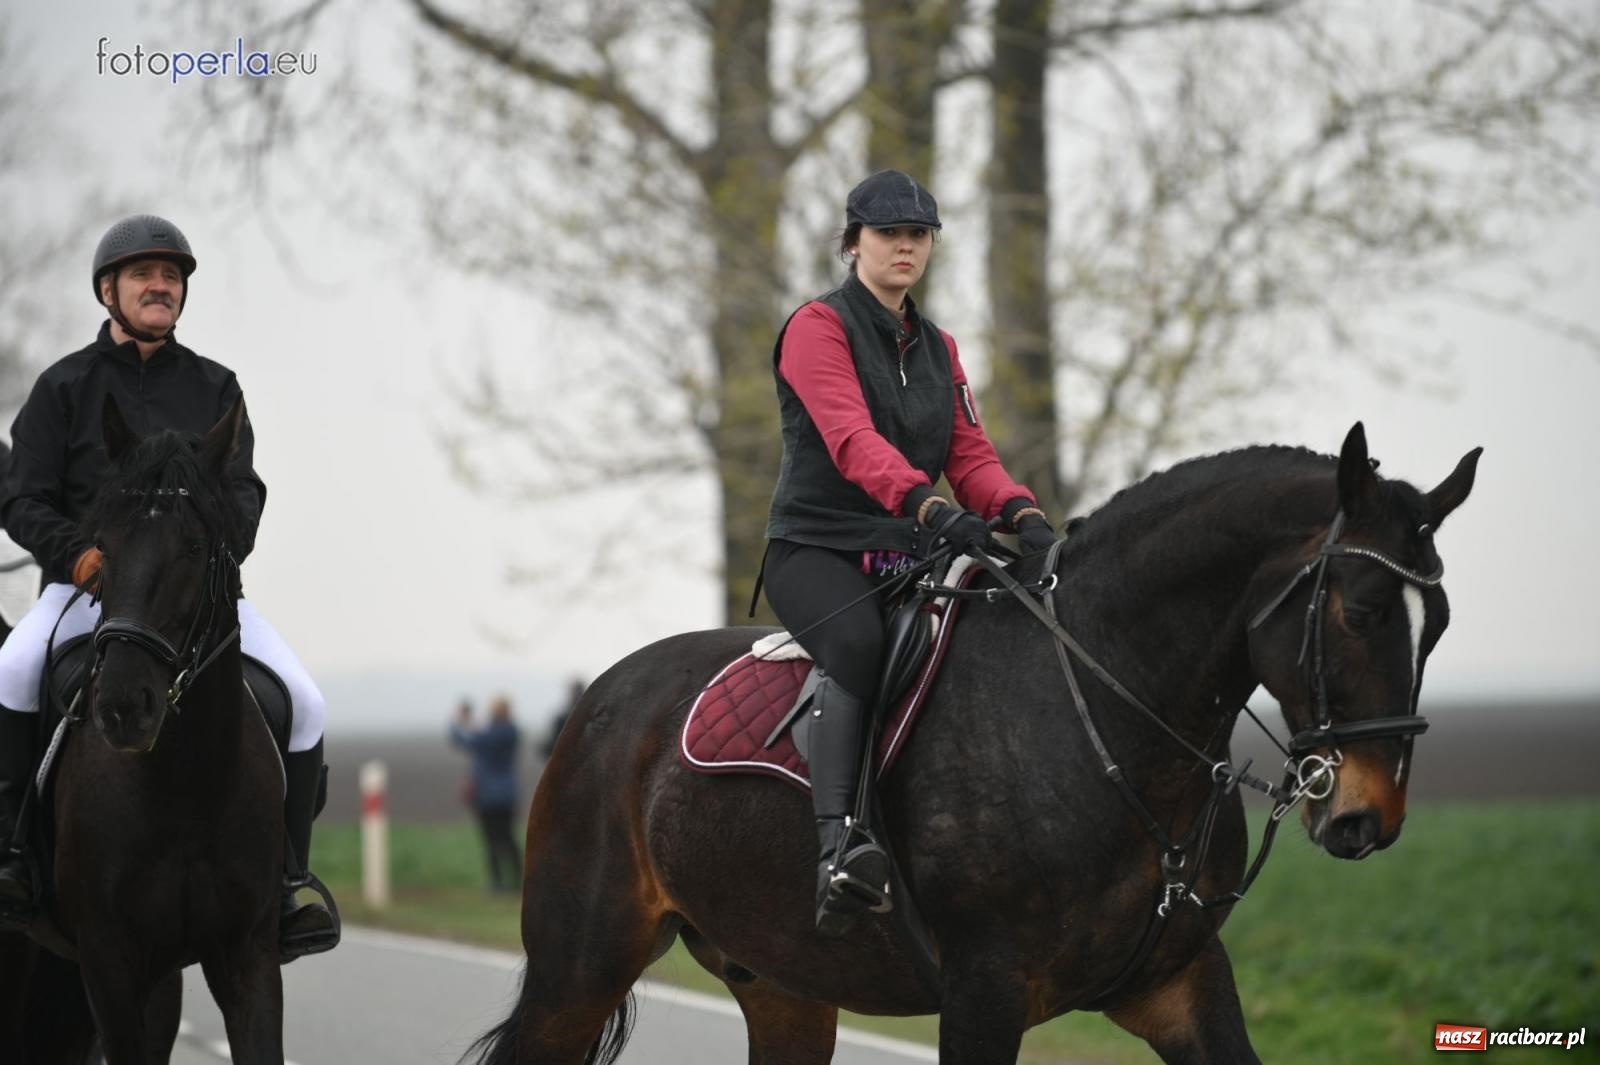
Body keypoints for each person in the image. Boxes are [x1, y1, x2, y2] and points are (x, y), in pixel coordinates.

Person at [0, 215, 338, 958]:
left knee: (305, 701)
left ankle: (288, 880)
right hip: (85, 590)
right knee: (13, 668)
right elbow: (21, 496)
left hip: (194, 600)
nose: (161, 286)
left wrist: (213, 558)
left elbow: (243, 491)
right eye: (144, 275)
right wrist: (78, 555)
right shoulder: (63, 386)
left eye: (172, 276)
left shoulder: (216, 387)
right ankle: (14, 856)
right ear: (108, 291)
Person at [759, 170, 1058, 936]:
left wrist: (1020, 511)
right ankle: (839, 849)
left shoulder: (940, 348)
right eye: (888, 232)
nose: (905, 246)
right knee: (858, 644)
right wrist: (929, 504)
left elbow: (971, 455)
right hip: (818, 549)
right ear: (852, 241)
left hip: (908, 551)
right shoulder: (816, 328)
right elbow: (852, 440)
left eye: (918, 234)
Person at [450, 695, 523, 893]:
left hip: (489, 796)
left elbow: (467, 740)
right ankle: (518, 880)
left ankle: (498, 882)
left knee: (492, 839)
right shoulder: (511, 731)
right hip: (506, 794)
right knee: (507, 838)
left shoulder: (496, 733)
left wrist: (458, 722)